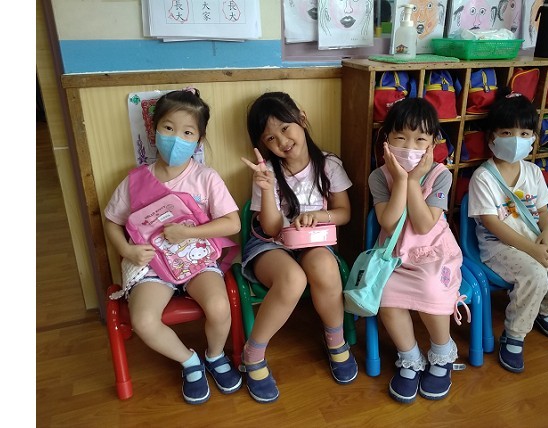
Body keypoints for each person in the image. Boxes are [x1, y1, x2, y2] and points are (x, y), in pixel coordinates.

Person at [104, 88, 243, 405]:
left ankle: (215, 355)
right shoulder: (134, 181)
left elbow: (232, 224)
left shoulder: (206, 177)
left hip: (197, 261)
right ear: (154, 130)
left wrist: (189, 233)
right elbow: (111, 221)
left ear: (199, 140)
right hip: (153, 267)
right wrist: (127, 251)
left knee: (220, 307)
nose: (176, 138)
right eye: (168, 128)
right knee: (143, 320)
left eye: (187, 132)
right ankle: (190, 361)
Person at [239, 91, 358, 403]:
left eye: (285, 128)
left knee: (325, 267)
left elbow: (344, 213)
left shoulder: (329, 165)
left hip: (312, 242)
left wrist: (319, 216)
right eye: (270, 138)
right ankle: (253, 353)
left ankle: (335, 340)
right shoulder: (267, 172)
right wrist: (266, 188)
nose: (281, 141)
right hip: (269, 245)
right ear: (263, 144)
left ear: (301, 119)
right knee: (293, 279)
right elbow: (270, 228)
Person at [467, 88, 548, 373]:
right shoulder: (483, 177)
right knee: (536, 275)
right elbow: (492, 223)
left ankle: (541, 310)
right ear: (492, 137)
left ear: (533, 138)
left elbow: (544, 213)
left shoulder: (533, 172)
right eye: (507, 133)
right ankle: (514, 334)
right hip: (499, 248)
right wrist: (533, 251)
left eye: (524, 134)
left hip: (535, 242)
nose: (517, 140)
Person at [368, 97, 467, 404]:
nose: (410, 147)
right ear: (387, 139)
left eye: (420, 139)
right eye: (400, 137)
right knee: (385, 296)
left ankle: (441, 352)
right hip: (395, 252)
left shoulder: (441, 175)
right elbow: (388, 222)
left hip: (434, 252)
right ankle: (410, 357)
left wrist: (412, 181)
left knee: (431, 288)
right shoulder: (378, 176)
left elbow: (424, 225)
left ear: (433, 143)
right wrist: (400, 179)